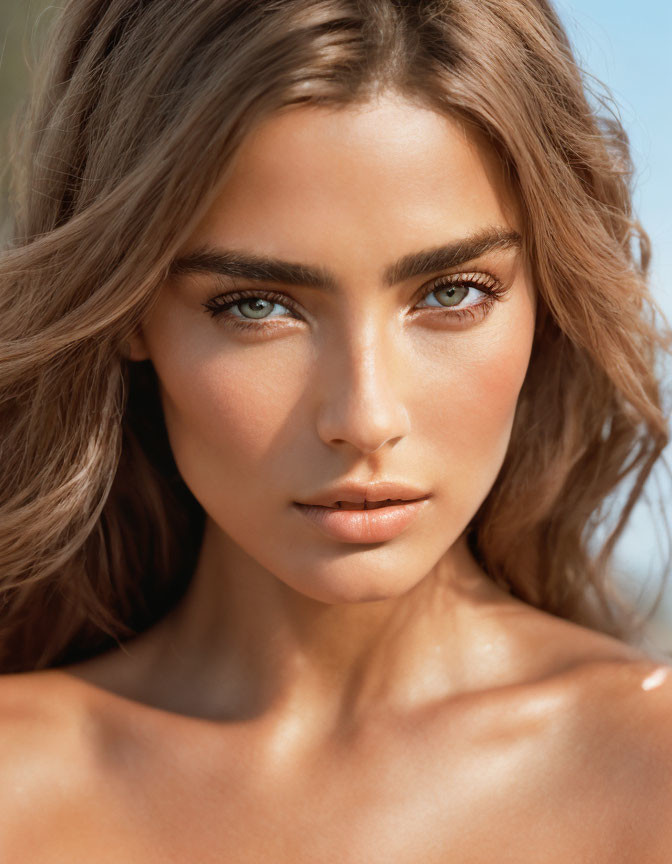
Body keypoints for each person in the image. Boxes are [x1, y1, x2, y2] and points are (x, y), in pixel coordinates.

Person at [1, 0, 671, 859]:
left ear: (547, 298)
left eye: (452, 292)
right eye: (257, 305)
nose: (365, 418)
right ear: (129, 308)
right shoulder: (18, 783)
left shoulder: (650, 770)